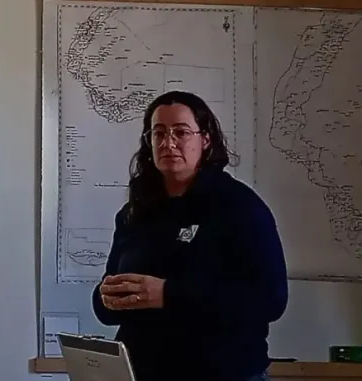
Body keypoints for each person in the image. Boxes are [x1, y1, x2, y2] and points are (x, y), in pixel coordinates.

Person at [91, 90, 288, 381]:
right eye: (158, 133)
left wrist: (168, 294)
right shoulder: (134, 213)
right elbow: (111, 303)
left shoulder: (239, 206)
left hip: (222, 373)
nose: (168, 143)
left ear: (205, 140)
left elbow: (270, 300)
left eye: (181, 132)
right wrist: (105, 298)